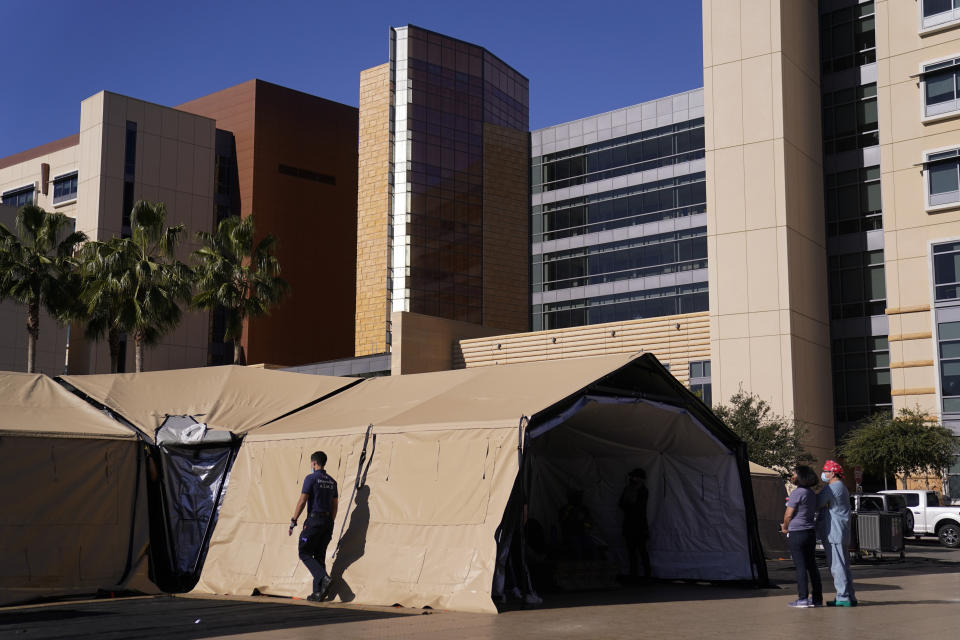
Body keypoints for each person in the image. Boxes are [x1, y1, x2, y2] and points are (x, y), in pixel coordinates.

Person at [290, 451, 338, 602]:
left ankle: (324, 578)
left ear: (314, 463)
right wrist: (330, 521)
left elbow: (303, 500)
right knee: (319, 555)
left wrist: (294, 519)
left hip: (314, 521)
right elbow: (334, 505)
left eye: (311, 464)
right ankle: (317, 593)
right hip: (328, 522)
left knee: (303, 552)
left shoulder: (310, 478)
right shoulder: (332, 481)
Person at [781, 465, 822, 608]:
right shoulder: (811, 493)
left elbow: (788, 514)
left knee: (800, 566)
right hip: (810, 532)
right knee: (812, 566)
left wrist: (785, 528)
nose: (792, 475)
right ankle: (817, 599)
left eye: (794, 473)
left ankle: (802, 598)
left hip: (797, 532)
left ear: (800, 476)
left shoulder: (797, 493)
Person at [816, 460, 857, 607]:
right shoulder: (842, 487)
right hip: (841, 531)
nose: (823, 474)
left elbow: (817, 502)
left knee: (837, 566)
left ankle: (843, 596)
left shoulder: (832, 488)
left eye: (825, 471)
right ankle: (849, 596)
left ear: (832, 473)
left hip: (834, 531)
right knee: (844, 565)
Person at [619, 468, 651, 580]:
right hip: (630, 524)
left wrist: (629, 505)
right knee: (631, 551)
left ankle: (647, 575)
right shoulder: (628, 489)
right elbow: (622, 504)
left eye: (635, 477)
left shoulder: (643, 491)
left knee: (642, 551)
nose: (632, 479)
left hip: (639, 525)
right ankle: (634, 575)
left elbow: (638, 508)